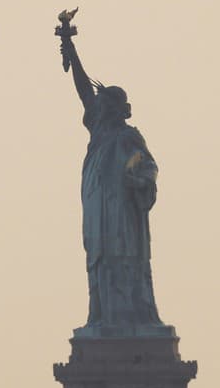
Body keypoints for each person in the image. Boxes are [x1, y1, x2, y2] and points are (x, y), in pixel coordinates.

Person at [59, 26, 163, 330]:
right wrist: (70, 47)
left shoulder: (128, 137)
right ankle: (102, 315)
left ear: (118, 109)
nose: (97, 107)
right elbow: (83, 90)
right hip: (97, 208)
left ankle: (131, 318)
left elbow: (150, 167)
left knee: (124, 259)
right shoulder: (100, 131)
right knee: (99, 259)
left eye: (104, 105)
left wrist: (140, 182)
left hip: (121, 214)